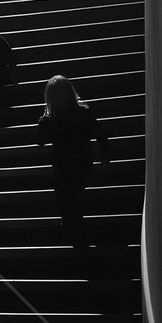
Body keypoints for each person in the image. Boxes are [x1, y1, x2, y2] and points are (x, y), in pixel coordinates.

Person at [36, 75, 110, 251]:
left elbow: (40, 139)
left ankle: (72, 229)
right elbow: (99, 132)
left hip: (67, 163)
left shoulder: (57, 118)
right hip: (78, 161)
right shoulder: (80, 113)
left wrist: (44, 119)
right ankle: (74, 229)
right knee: (71, 195)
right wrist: (105, 153)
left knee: (67, 196)